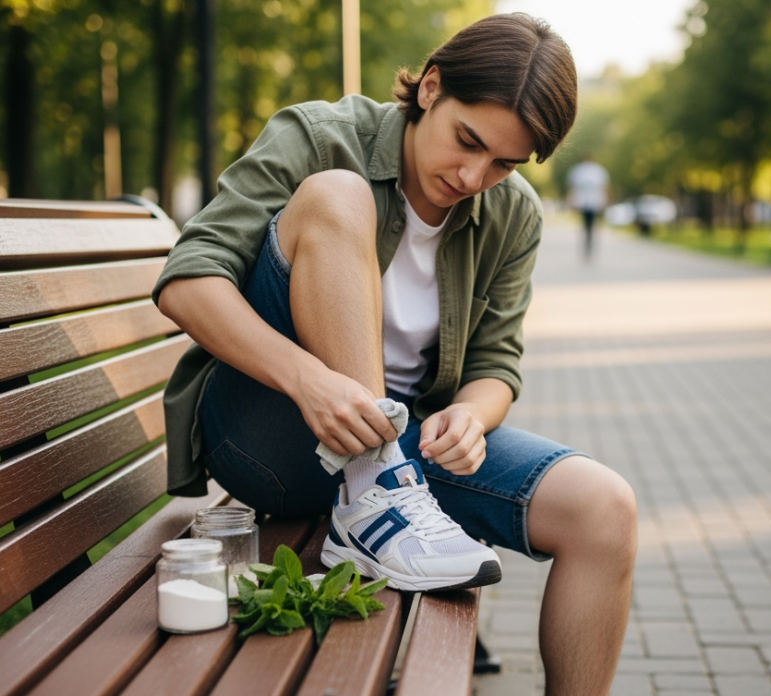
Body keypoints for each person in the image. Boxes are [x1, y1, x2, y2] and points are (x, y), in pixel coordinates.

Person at [153, 14, 636, 695]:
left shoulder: (514, 214)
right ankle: (370, 487)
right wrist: (310, 381)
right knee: (337, 192)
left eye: (504, 162)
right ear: (431, 88)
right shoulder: (320, 136)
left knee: (604, 509)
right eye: (467, 141)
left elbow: (496, 365)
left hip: (402, 463)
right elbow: (186, 281)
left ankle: (378, 492)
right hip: (272, 427)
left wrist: (470, 415)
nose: (474, 175)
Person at [566, 154, 609, 258]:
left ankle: (589, 244)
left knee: (589, 225)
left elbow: (603, 188)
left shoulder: (596, 171)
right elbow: (572, 187)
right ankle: (587, 244)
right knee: (588, 225)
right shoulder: (581, 171)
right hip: (585, 202)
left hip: (593, 202)